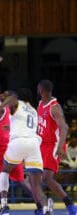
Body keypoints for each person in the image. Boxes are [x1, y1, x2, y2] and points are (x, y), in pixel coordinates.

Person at [0, 88, 49, 215]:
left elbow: (12, 99)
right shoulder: (34, 111)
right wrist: (9, 127)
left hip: (18, 142)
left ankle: (4, 205)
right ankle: (45, 209)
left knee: (4, 171)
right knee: (36, 184)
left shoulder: (17, 103)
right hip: (33, 144)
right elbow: (24, 124)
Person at [0, 58, 31, 215]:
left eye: (3, 95)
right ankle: (42, 203)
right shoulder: (17, 112)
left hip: (3, 147)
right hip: (15, 147)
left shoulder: (3, 109)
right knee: (22, 181)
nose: (0, 95)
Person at [37, 79, 77, 215]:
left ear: (40, 90)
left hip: (53, 145)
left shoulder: (55, 106)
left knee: (46, 178)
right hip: (42, 145)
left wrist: (60, 147)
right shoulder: (40, 104)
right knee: (34, 176)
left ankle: (70, 205)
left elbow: (64, 127)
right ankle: (42, 206)